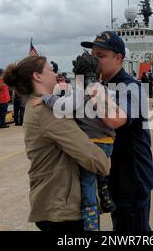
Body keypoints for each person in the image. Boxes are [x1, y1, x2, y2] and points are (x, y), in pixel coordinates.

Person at [3, 55, 110, 232]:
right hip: (62, 208)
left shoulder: (37, 104)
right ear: (37, 76)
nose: (56, 74)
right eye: (51, 70)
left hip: (52, 200)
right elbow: (88, 153)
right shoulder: (47, 111)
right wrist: (105, 162)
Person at [42, 52, 126, 231]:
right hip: (108, 143)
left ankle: (91, 224)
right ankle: (107, 199)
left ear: (76, 75)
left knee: (87, 185)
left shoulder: (80, 93)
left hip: (91, 145)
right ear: (99, 74)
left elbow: (64, 106)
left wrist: (46, 98)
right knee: (102, 174)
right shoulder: (106, 91)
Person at [82, 31, 153, 231]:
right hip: (115, 175)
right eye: (92, 56)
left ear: (118, 58)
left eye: (100, 56)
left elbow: (115, 119)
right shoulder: (104, 85)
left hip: (132, 178)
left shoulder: (132, 87)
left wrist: (90, 82)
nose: (94, 62)